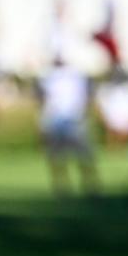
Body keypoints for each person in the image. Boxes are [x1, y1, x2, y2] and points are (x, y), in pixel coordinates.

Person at [37, 56, 99, 197]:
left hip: (73, 120)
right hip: (57, 120)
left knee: (83, 156)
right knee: (58, 157)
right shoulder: (49, 75)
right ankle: (62, 187)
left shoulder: (74, 74)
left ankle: (90, 186)